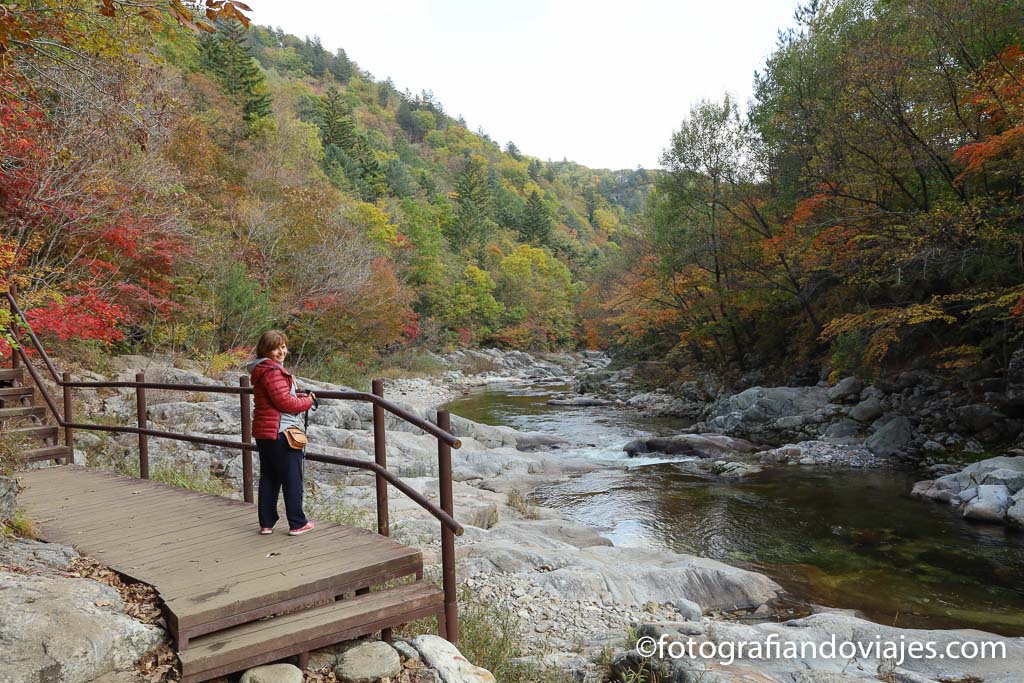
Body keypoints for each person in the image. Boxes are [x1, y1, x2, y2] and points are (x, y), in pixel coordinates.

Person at [246, 330, 316, 536]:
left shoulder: (262, 370)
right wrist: (308, 401)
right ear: (265, 350)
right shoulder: (273, 372)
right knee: (292, 478)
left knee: (269, 477)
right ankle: (297, 523)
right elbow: (284, 402)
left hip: (265, 432)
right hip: (281, 432)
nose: (281, 351)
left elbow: (277, 397)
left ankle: (267, 523)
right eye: (276, 347)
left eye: (283, 346)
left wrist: (298, 394)